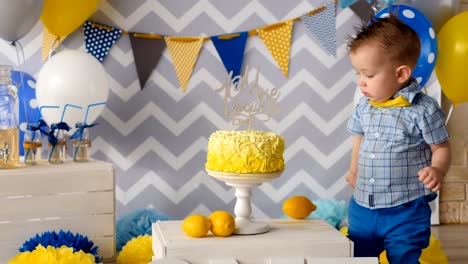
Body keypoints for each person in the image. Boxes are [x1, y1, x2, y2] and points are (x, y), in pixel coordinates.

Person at [346, 16, 451, 263]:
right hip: (363, 207)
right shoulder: (364, 105)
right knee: (359, 254)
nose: (361, 81)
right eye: (358, 73)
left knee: (403, 256)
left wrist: (438, 169)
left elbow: (441, 146)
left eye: (369, 74)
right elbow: (359, 139)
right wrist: (353, 170)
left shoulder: (424, 109)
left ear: (401, 73)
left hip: (405, 209)